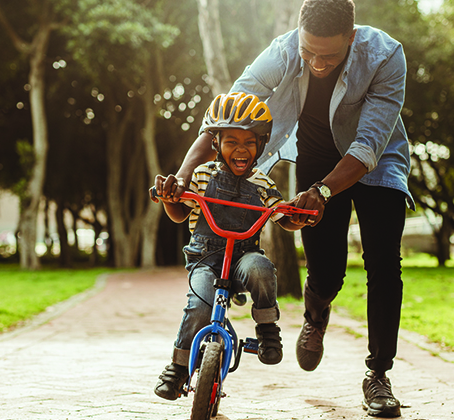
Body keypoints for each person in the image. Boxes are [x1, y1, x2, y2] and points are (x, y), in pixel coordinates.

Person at [158, 0, 413, 417]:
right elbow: (227, 113)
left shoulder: (385, 55)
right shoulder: (283, 50)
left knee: (384, 264)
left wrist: (324, 192)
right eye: (308, 51)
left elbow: (368, 144)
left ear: (351, 37)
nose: (315, 62)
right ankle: (316, 315)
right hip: (315, 158)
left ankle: (378, 375)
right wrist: (185, 173)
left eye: (328, 55)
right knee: (326, 271)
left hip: (376, 161)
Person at [152, 92, 307, 401]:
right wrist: (170, 199)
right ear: (216, 144)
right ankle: (178, 367)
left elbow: (282, 217)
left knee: (261, 269)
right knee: (199, 304)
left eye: (249, 142)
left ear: (261, 145)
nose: (240, 149)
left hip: (243, 257)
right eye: (231, 141)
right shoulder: (201, 175)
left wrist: (298, 216)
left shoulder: (263, 183)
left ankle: (266, 329)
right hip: (205, 258)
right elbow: (180, 212)